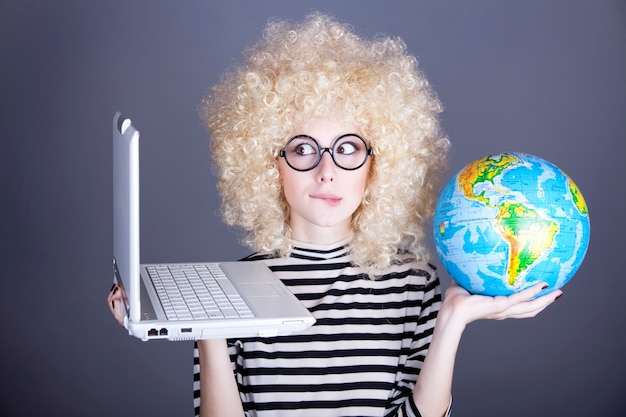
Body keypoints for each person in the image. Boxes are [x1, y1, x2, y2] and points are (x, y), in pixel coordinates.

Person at [108, 12, 562, 417]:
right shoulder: (231, 289)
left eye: (348, 148)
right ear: (271, 166)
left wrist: (452, 320)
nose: (327, 172)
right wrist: (205, 324)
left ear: (376, 166)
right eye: (303, 149)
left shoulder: (412, 284)